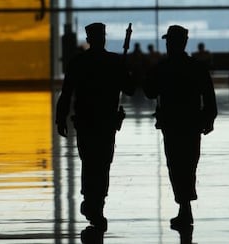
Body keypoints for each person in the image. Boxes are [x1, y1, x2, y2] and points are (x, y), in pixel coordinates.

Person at [56, 22, 135, 232]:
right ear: (104, 38)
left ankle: (90, 199)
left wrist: (60, 118)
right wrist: (126, 70)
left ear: (89, 39)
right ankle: (97, 203)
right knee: (103, 163)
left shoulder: (79, 62)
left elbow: (67, 92)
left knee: (89, 161)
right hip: (107, 121)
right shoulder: (114, 61)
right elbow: (130, 89)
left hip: (86, 121)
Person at [143, 25, 217, 228]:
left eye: (168, 41)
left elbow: (149, 92)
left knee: (176, 165)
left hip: (171, 123)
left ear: (172, 43)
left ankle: (184, 207)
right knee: (189, 164)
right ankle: (185, 207)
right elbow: (209, 96)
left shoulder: (163, 67)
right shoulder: (197, 67)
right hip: (192, 123)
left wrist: (146, 73)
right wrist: (209, 119)